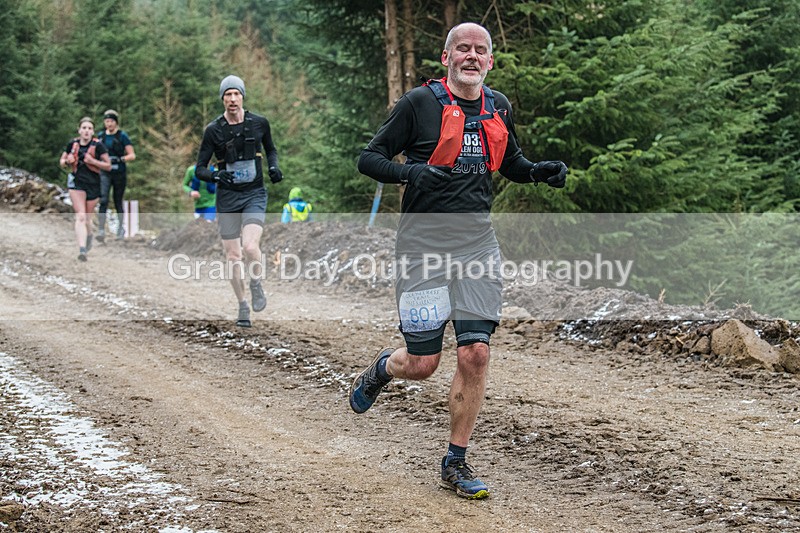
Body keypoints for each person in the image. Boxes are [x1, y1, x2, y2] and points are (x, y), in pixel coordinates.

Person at [350, 22, 568, 499]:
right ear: (446, 56)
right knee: (424, 363)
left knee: (476, 352)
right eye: (463, 49)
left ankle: (456, 462)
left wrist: (538, 172)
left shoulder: (498, 105)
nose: (472, 56)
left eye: (481, 51)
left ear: (490, 61)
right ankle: (385, 368)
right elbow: (369, 158)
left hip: (477, 248)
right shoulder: (418, 104)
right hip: (422, 250)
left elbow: (509, 161)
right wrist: (411, 173)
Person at [194, 75, 284, 328]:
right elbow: (199, 168)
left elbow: (271, 150)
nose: (232, 99)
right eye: (227, 95)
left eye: (236, 94)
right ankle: (242, 304)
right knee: (233, 256)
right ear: (222, 99)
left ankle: (256, 284)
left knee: (250, 247)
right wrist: (215, 175)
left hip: (254, 193)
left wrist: (274, 167)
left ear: (242, 96)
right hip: (227, 197)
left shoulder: (259, 123)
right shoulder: (213, 130)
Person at [59, 117, 112, 261]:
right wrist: (67, 161)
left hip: (93, 184)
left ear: (93, 131)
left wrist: (92, 161)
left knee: (87, 219)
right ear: (79, 130)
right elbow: (62, 161)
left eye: (89, 128)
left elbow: (108, 165)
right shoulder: (73, 144)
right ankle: (82, 249)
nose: (86, 131)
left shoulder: (98, 146)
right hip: (77, 183)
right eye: (84, 128)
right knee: (81, 216)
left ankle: (89, 236)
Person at [96, 109, 136, 242]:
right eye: (107, 121)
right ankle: (101, 229)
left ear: (116, 122)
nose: (109, 124)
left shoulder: (122, 136)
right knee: (103, 199)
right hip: (105, 171)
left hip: (119, 171)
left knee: (118, 200)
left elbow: (132, 155)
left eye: (111, 121)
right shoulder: (100, 136)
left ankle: (120, 229)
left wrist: (121, 159)